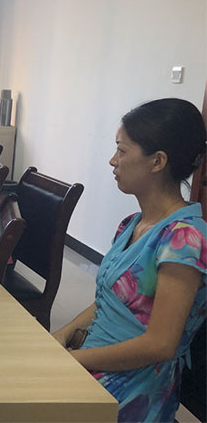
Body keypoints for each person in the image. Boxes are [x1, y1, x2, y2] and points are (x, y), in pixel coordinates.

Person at [52, 98, 207, 422]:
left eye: (122, 151)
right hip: (97, 361)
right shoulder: (132, 224)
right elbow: (108, 299)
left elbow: (160, 344)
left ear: (157, 161)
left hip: (134, 388)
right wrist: (63, 335)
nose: (113, 160)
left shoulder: (184, 239)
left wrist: (75, 360)